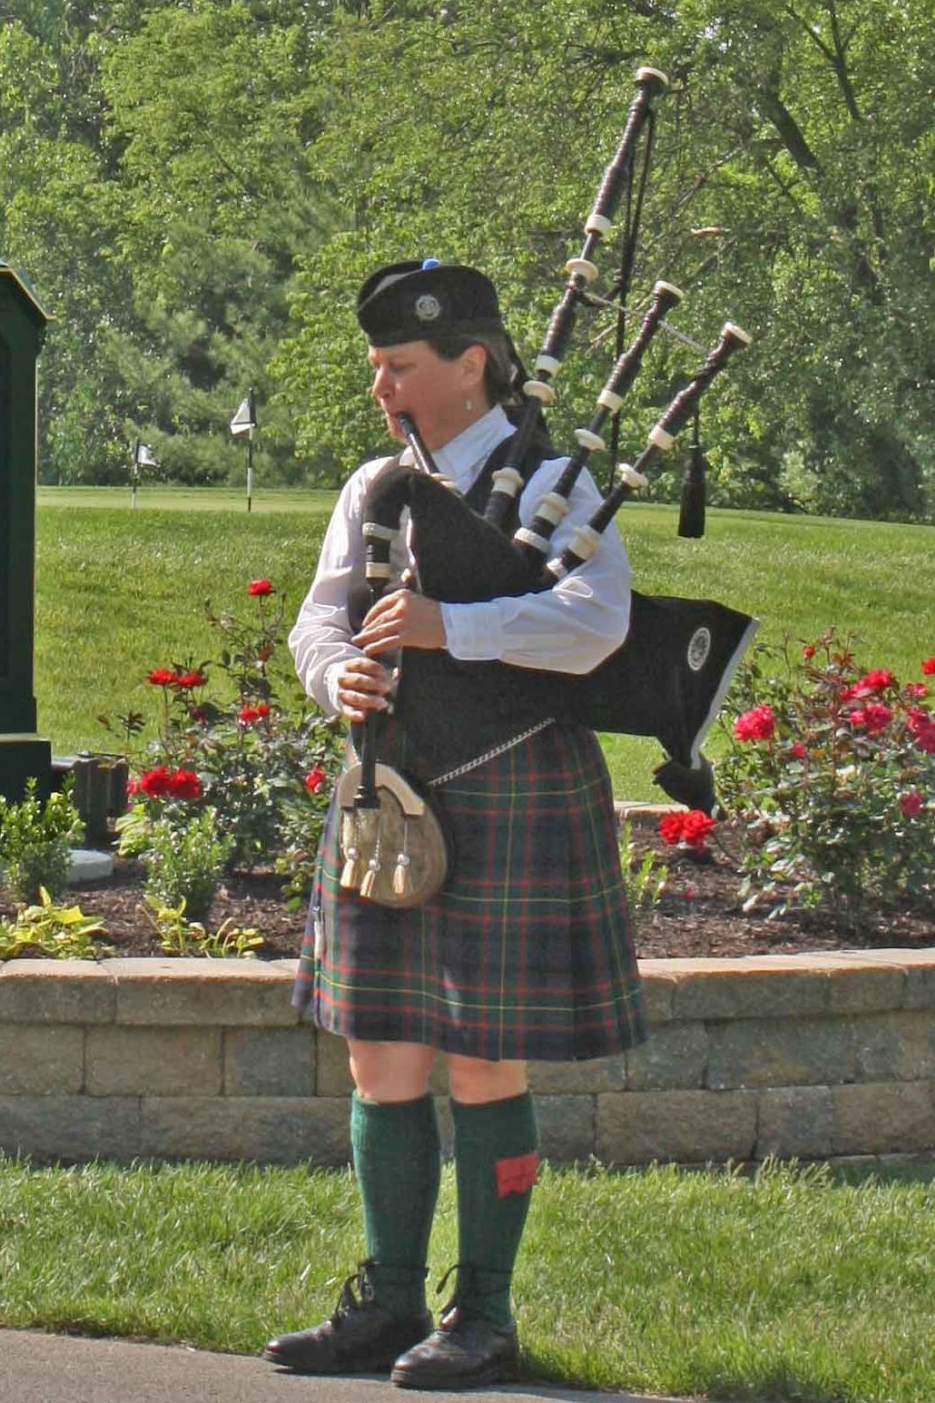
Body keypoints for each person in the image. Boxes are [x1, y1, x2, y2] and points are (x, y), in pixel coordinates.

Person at [265, 259, 646, 1390]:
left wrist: (448, 627)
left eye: (400, 367)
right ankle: (387, 1301)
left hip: (512, 780)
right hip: (387, 791)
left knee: (482, 1058)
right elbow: (318, 616)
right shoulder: (372, 484)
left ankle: (481, 1315)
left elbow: (597, 621)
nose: (381, 388)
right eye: (376, 366)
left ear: (468, 363)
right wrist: (335, 674)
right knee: (380, 1052)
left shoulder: (551, 483)